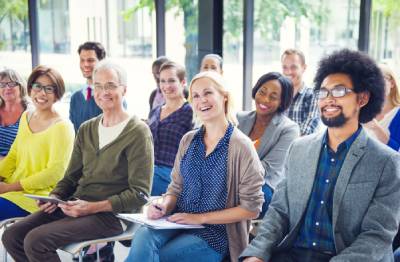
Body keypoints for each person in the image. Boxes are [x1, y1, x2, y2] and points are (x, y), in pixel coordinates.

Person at [240, 49, 400, 262]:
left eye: (339, 91)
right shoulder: (299, 149)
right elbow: (279, 211)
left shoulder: (386, 161)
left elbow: (377, 236)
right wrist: (256, 254)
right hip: (293, 254)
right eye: (323, 92)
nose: (328, 99)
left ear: (362, 98)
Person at [1, 60, 154, 262]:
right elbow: (70, 176)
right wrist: (55, 196)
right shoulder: (87, 128)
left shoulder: (138, 132)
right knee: (12, 235)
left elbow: (140, 194)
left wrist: (93, 207)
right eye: (98, 86)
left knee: (36, 241)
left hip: (113, 216)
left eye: (110, 85)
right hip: (76, 205)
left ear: (124, 90)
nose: (103, 91)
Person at [126, 71, 264, 262]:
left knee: (163, 257)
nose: (202, 101)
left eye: (208, 93)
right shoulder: (188, 140)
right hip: (177, 221)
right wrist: (163, 205)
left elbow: (252, 209)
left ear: (224, 96)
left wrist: (200, 218)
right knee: (142, 236)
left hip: (214, 233)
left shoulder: (241, 146)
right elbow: (175, 188)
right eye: (196, 96)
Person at [0, 65, 74, 221]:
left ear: (57, 93)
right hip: (12, 190)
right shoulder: (27, 116)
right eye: (37, 87)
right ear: (30, 88)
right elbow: (14, 155)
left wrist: (8, 187)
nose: (42, 93)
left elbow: (54, 173)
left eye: (49, 89)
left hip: (38, 199)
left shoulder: (63, 127)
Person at [237, 72, 299, 218]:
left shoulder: (289, 129)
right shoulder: (240, 119)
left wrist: (232, 172)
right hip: (233, 180)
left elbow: (267, 169)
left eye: (273, 97)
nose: (265, 99)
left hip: (264, 186)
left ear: (282, 101)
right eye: (262, 92)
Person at [148, 61, 193, 196]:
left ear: (183, 82)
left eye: (172, 81)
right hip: (149, 171)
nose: (166, 86)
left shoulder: (190, 111)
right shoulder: (155, 111)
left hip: (172, 175)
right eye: (163, 81)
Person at [281, 48, 320, 135]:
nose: (288, 72)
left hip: (301, 147)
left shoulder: (312, 95)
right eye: (285, 67)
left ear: (304, 68)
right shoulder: (279, 94)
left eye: (293, 67)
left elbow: (307, 131)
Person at [69, 41, 106, 132]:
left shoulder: (111, 96)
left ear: (101, 62)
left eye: (90, 60)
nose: (85, 64)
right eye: (82, 60)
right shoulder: (75, 98)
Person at [364, 64, 400, 151]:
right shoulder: (363, 110)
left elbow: (397, 151)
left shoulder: (398, 114)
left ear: (392, 83)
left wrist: (376, 128)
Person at [0, 68, 29, 160]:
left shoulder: (30, 113)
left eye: (12, 83)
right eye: (2, 85)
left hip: (17, 167)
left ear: (21, 86)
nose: (7, 88)